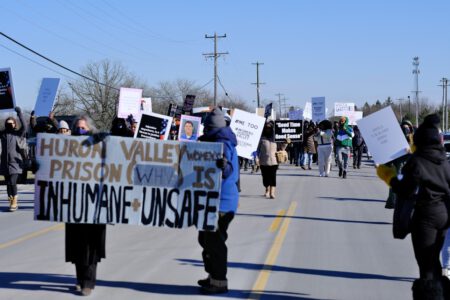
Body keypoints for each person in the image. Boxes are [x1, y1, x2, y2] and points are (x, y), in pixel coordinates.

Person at [377, 114, 450, 299]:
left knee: (425, 265)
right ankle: (440, 292)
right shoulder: (444, 162)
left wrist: (389, 177)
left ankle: (430, 296)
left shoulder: (417, 162)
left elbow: (406, 190)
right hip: (443, 216)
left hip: (425, 217)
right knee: (434, 261)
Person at [197, 107, 239, 294]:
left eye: (206, 128)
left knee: (214, 241)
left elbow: (228, 169)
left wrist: (223, 166)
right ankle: (212, 275)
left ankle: (219, 281)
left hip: (222, 202)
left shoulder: (223, 144)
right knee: (205, 238)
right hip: (211, 199)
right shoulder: (215, 141)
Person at [65, 116, 106, 297]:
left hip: (94, 204)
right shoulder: (66, 148)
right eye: (78, 128)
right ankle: (80, 279)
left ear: (89, 129)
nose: (80, 131)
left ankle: (88, 282)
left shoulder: (100, 145)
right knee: (77, 246)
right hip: (74, 205)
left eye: (84, 128)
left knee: (91, 246)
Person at [0, 106, 27, 211]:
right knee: (8, 183)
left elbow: (25, 126)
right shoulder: (2, 134)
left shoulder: (18, 134)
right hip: (4, 163)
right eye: (8, 123)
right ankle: (11, 201)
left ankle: (15, 201)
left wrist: (19, 113)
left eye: (12, 123)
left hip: (15, 163)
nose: (9, 124)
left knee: (12, 181)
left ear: (15, 124)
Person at [258, 121, 278, 199]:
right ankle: (267, 188)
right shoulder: (261, 138)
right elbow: (257, 149)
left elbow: (282, 147)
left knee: (273, 177)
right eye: (266, 128)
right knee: (265, 178)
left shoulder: (275, 138)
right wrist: (256, 157)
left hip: (274, 161)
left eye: (269, 128)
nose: (268, 129)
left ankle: (272, 193)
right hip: (263, 161)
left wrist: (286, 142)